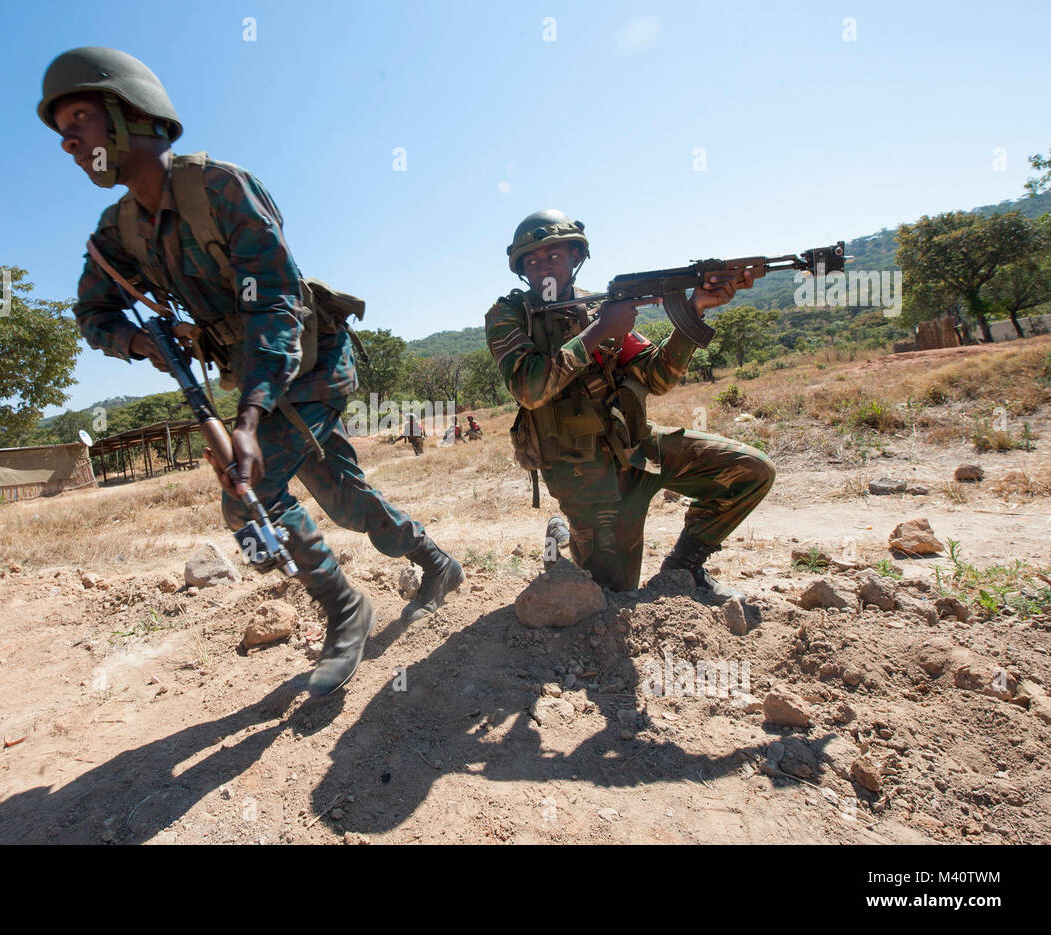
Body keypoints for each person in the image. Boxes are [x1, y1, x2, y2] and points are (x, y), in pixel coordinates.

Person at [38, 47, 463, 696]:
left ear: (129, 111)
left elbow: (278, 306)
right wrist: (142, 343)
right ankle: (434, 561)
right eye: (61, 128)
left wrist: (249, 419)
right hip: (255, 385)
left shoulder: (221, 189)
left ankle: (345, 607)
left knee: (250, 493)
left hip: (313, 365)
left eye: (79, 117)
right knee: (345, 502)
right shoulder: (118, 231)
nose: (68, 141)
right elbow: (92, 311)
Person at [484, 210, 775, 599]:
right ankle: (563, 542)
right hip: (584, 476)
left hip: (638, 450)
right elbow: (529, 389)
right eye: (532, 261)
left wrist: (693, 310)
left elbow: (658, 377)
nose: (542, 268)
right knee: (609, 596)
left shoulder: (599, 306)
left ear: (575, 257)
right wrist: (602, 328)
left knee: (751, 471)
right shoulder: (509, 314)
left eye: (553, 256)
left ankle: (684, 568)